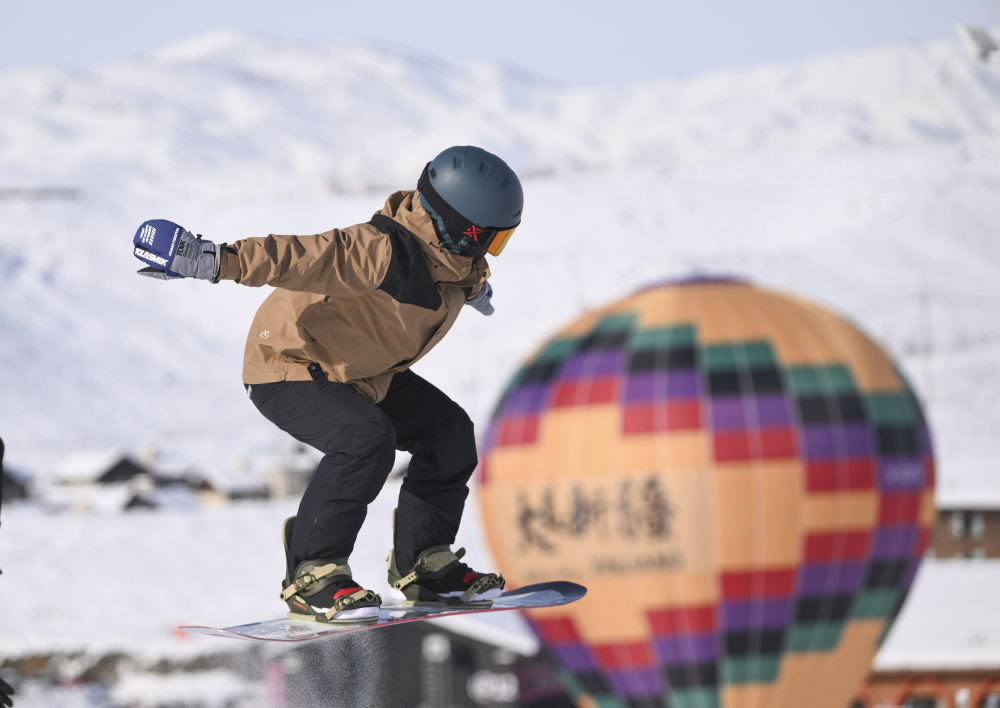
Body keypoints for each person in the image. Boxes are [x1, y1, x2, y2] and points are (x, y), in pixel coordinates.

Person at [132, 146, 523, 624]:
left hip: (361, 372)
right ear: (460, 228)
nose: (491, 250)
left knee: (449, 433)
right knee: (364, 440)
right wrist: (215, 260)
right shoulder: (378, 251)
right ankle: (313, 572)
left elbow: (457, 275)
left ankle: (424, 565)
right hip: (289, 365)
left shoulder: (458, 266)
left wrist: (476, 288)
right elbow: (296, 257)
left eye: (501, 242)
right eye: (491, 239)